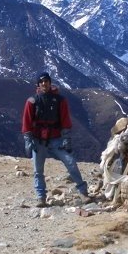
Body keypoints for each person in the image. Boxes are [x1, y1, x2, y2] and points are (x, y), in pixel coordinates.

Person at [21, 72, 91, 207]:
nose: (44, 84)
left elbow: (65, 121)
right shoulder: (32, 102)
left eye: (46, 81)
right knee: (38, 170)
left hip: (56, 138)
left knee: (71, 163)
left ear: (50, 82)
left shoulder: (60, 100)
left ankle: (83, 192)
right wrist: (28, 140)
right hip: (38, 139)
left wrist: (67, 139)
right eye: (41, 82)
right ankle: (41, 197)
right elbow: (27, 122)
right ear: (38, 84)